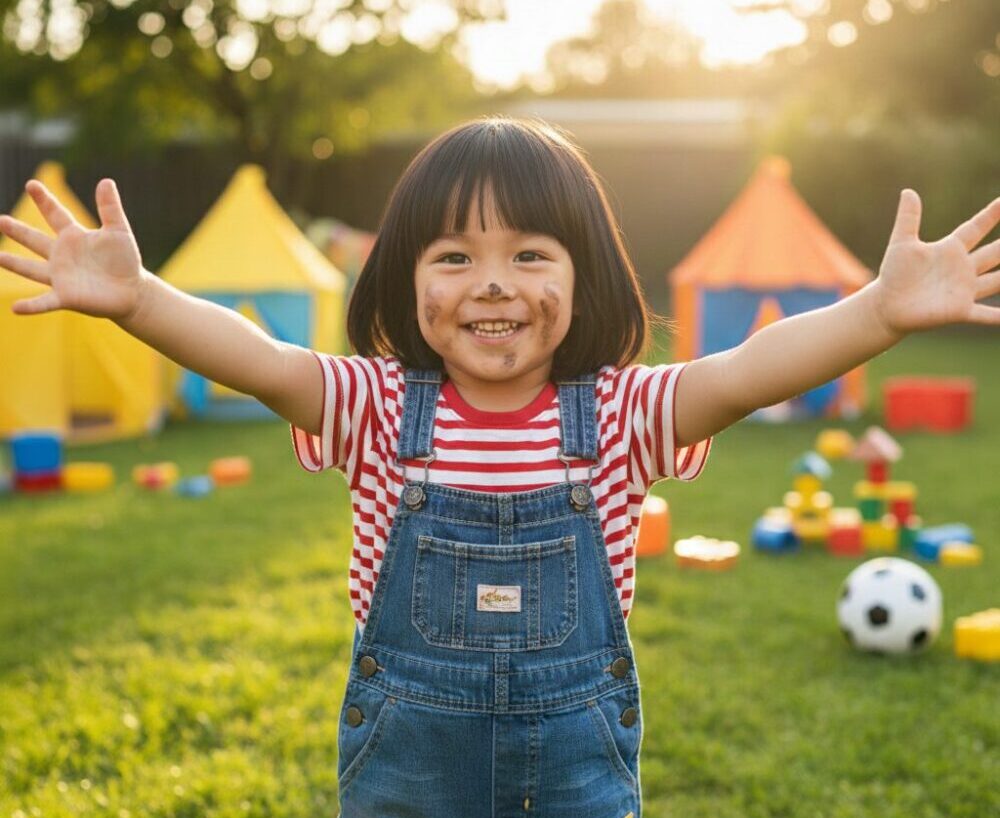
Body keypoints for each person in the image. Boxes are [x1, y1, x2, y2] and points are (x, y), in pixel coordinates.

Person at [1, 117, 997, 817]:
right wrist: (140, 301)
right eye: (451, 255)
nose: (491, 283)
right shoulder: (376, 405)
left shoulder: (621, 413)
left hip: (575, 781)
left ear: (583, 276)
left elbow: (745, 371)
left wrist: (875, 311)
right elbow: (257, 358)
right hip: (408, 778)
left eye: (530, 254)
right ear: (402, 276)